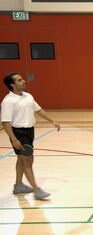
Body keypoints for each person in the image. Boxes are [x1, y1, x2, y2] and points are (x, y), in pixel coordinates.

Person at [1, 72, 61, 200]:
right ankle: (36, 190)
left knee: (21, 159)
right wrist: (14, 139)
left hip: (29, 131)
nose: (24, 81)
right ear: (12, 85)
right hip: (18, 132)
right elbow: (5, 122)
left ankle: (18, 186)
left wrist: (52, 121)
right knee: (28, 160)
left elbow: (38, 110)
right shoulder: (8, 101)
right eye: (19, 80)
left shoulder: (28, 96)